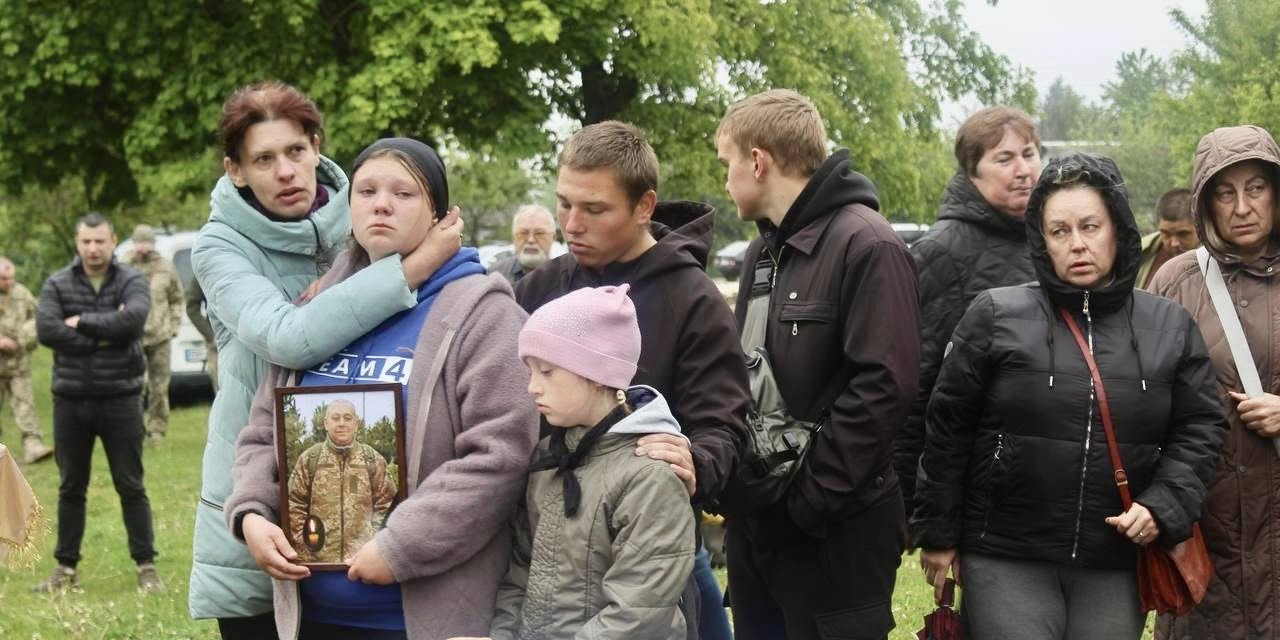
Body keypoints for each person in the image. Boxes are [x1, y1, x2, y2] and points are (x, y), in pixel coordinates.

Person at [225, 137, 539, 640]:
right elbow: (263, 432)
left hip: (422, 621)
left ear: (439, 214)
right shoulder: (315, 312)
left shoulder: (485, 315)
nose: (382, 204)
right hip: (312, 618)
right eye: (367, 191)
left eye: (404, 193)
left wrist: (400, 547)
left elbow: (500, 455)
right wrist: (252, 514)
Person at [913, 153, 1227, 639]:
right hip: (1005, 554)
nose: (1077, 243)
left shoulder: (1170, 326)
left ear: (1117, 229)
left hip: (1114, 558)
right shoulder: (995, 315)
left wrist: (1163, 504)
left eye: (1090, 226)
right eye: (1059, 231)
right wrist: (937, 534)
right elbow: (948, 431)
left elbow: (1201, 427)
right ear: (1041, 239)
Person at [190, 82, 463, 636]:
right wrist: (410, 269)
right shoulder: (219, 248)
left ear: (317, 146)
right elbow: (287, 337)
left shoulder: (367, 214)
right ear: (235, 171)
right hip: (260, 490)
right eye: (263, 159)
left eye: (295, 150)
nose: (285, 171)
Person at [515, 120, 750, 640]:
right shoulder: (539, 287)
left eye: (594, 209)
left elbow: (724, 424)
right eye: (564, 204)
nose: (572, 224)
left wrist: (696, 460)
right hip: (544, 548)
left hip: (650, 551)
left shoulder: (693, 300)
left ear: (644, 206)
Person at [715, 88, 920, 639]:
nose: (725, 180)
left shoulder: (868, 244)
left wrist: (806, 503)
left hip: (836, 538)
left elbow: (885, 387)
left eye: (727, 163)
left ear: (758, 161)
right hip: (760, 534)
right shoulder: (761, 254)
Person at [479, 285, 696, 638]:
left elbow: (637, 616)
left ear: (598, 375)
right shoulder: (548, 459)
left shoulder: (650, 476)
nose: (532, 387)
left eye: (546, 371)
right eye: (530, 371)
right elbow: (519, 575)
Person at [1149, 125, 1280, 640]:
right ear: (1205, 202)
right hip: (1205, 526)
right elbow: (1140, 393)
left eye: (1256, 188)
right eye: (1225, 193)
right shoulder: (1174, 282)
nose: (1242, 207)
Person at [895, 106, 1043, 518]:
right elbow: (916, 384)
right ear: (971, 171)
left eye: (1029, 154)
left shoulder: (1054, 237)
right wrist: (910, 501)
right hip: (974, 482)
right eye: (1004, 158)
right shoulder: (939, 252)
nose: (1023, 170)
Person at [32, 212, 166, 593]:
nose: (93, 249)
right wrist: (108, 332)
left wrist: (80, 323)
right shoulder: (57, 283)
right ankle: (65, 569)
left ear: (113, 241)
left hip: (121, 398)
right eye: (86, 242)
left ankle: (146, 566)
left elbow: (133, 322)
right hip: (70, 401)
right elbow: (47, 330)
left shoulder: (132, 280)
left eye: (100, 241)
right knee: (70, 487)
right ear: (78, 243)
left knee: (131, 484)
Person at [287, 399, 395, 564]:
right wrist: (307, 545)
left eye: (347, 418)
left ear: (356, 424)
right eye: (336, 418)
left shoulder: (372, 459)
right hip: (317, 564)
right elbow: (294, 504)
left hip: (364, 562)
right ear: (326, 423)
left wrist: (374, 543)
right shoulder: (310, 459)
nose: (342, 423)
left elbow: (388, 505)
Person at [121, 224, 184, 441]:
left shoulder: (165, 267)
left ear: (152, 244)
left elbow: (177, 299)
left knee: (159, 386)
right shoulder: (123, 266)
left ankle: (157, 429)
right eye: (138, 243)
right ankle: (134, 428)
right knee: (135, 385)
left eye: (146, 243)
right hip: (132, 336)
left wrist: (174, 325)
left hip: (160, 336)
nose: (142, 248)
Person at [0, 256, 53, 464]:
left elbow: (38, 318)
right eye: (4, 278)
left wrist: (25, 336)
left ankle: (33, 446)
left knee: (25, 404)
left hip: (18, 363)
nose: (9, 282)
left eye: (11, 277)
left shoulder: (22, 293)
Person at [1136, 188, 1197, 289]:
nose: (1174, 243)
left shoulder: (1218, 261)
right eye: (1166, 234)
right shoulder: (1137, 252)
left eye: (1183, 234)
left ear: (1200, 228)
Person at [488, 205, 556, 285]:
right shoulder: (495, 274)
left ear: (553, 238)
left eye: (539, 233)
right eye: (523, 233)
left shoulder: (565, 277)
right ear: (513, 238)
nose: (531, 240)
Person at [185, 276, 218, 391]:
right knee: (222, 388)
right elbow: (191, 307)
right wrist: (210, 335)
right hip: (218, 342)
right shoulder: (207, 270)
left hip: (247, 340)